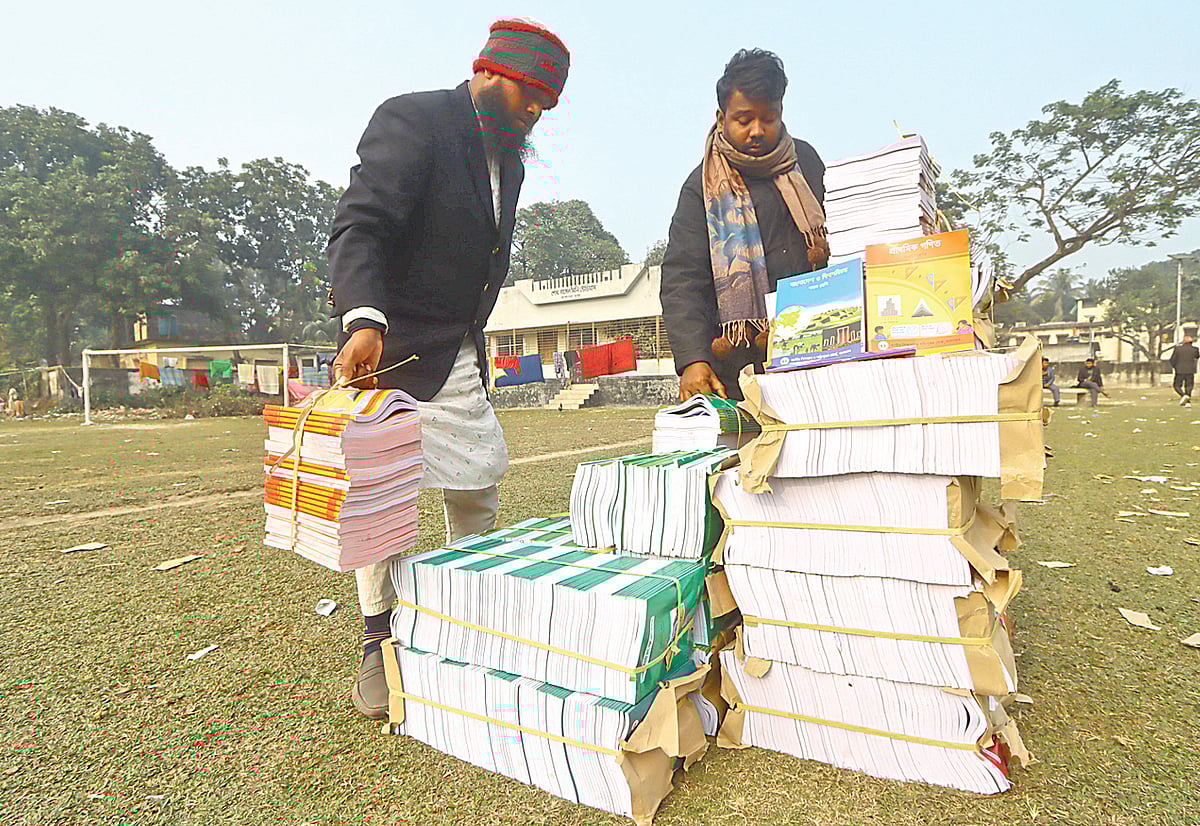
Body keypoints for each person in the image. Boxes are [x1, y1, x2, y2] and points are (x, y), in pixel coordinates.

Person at [326, 18, 569, 719]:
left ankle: (472, 609)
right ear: (490, 72)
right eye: (530, 100)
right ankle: (381, 639)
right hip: (384, 349)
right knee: (383, 501)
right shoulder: (416, 119)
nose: (534, 116)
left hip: (456, 348)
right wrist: (364, 319)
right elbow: (361, 225)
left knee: (479, 480)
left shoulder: (510, 160)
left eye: (544, 110)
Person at [660, 48, 828, 402]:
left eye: (768, 118)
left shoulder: (807, 164)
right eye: (743, 119)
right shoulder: (701, 188)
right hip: (737, 366)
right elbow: (683, 279)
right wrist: (693, 359)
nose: (756, 131)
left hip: (815, 352)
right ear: (721, 118)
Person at [1169, 335, 1199, 406]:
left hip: (1179, 370)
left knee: (1176, 385)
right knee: (1189, 386)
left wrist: (1175, 366)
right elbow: (1197, 356)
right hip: (1190, 370)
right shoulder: (1195, 349)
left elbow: (1172, 360)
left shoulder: (1178, 349)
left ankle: (1183, 395)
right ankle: (1187, 401)